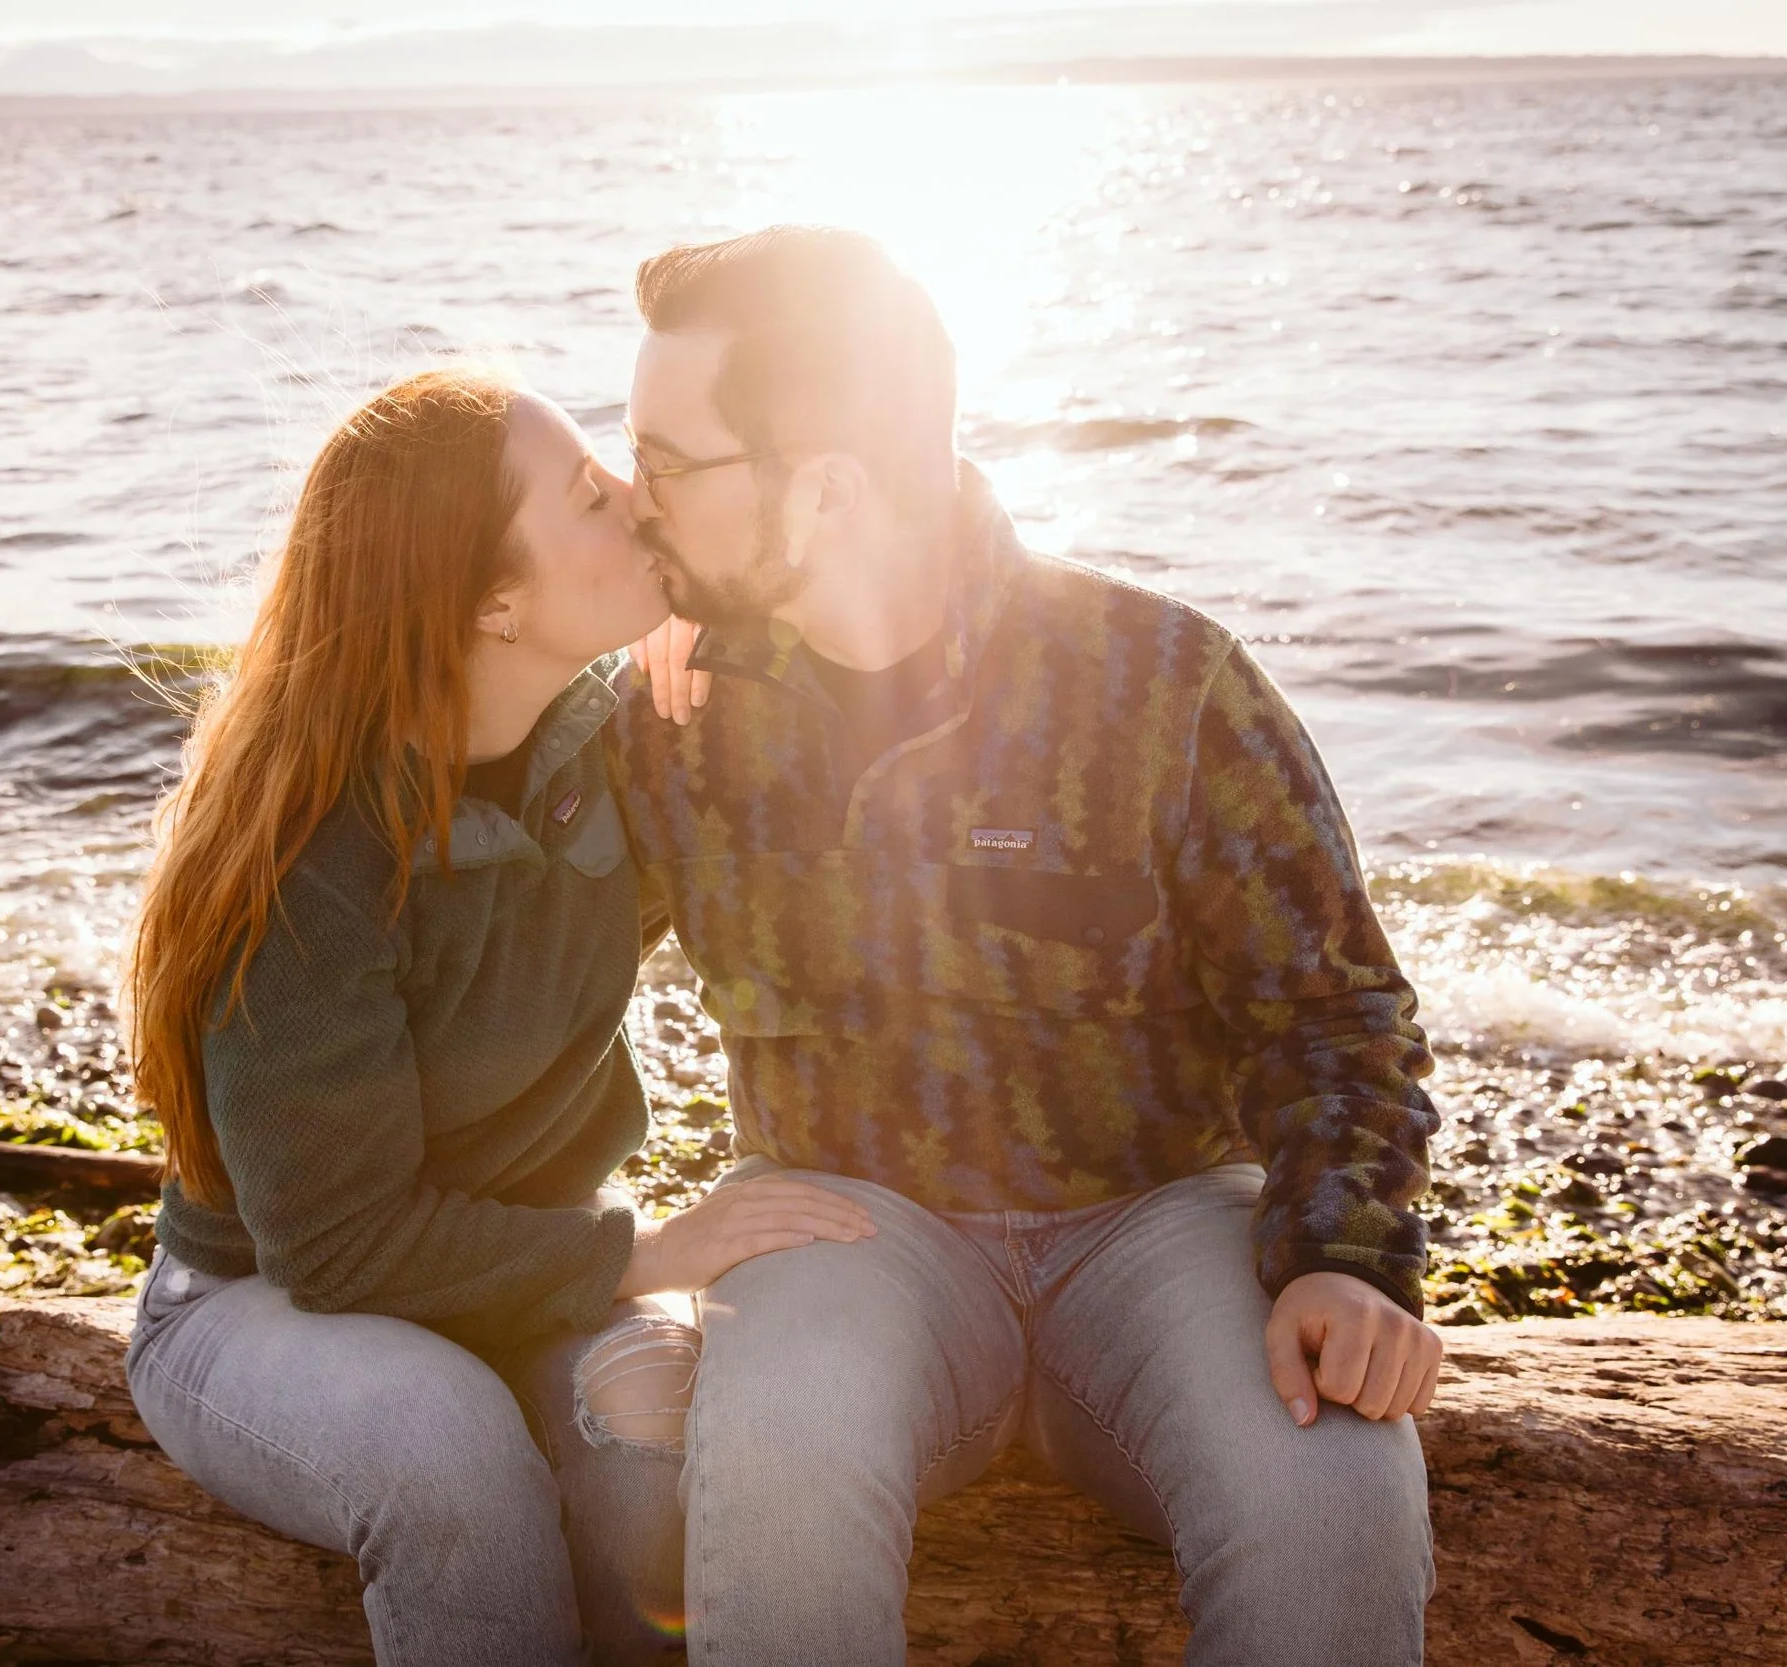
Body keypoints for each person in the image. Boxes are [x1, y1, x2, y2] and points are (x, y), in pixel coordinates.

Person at [610, 227, 1444, 1666]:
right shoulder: (674, 717)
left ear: (826, 488)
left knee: (1337, 1476)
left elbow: (1335, 1008)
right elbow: (503, 981)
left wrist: (1344, 1255)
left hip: (1159, 1232)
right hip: (852, 1236)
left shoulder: (1164, 684)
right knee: (777, 1444)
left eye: (667, 463)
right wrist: (568, 1251)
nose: (634, 502)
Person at [119, 366, 875, 1667]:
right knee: (453, 1457)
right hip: (262, 1302)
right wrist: (651, 1253)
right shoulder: (309, 864)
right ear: (494, 603)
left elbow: (874, 616)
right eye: (592, 493)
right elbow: (341, 1249)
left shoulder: (612, 748)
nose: (640, 500)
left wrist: (724, 614)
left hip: (519, 1277)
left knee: (659, 1482)